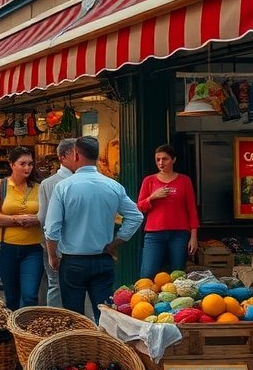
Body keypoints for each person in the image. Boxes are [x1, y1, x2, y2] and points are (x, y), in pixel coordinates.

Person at [45, 136, 144, 321]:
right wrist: (116, 242)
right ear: (96, 156)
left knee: (74, 318)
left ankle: (78, 348)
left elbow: (52, 229)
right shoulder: (113, 186)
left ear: (75, 155)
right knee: (105, 317)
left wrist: (52, 256)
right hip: (102, 259)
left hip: (72, 261)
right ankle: (103, 348)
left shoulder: (64, 187)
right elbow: (136, 216)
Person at [0, 147, 44, 310]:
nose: (27, 168)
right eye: (22, 164)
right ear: (12, 165)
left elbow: (49, 216)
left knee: (30, 295)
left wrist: (36, 220)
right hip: (5, 248)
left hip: (34, 249)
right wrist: (16, 219)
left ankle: (26, 329)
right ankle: (13, 332)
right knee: (12, 295)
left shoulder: (40, 188)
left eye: (30, 164)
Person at [137, 144, 199, 278]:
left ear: (174, 160)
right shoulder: (149, 181)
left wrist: (194, 237)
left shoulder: (184, 181)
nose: (160, 163)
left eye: (165, 159)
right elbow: (140, 207)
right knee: (148, 272)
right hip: (154, 234)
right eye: (158, 159)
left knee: (178, 274)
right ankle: (143, 299)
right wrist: (153, 197)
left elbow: (192, 209)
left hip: (179, 234)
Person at [37, 139, 77, 308]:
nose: (79, 157)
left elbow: (42, 218)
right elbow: (44, 218)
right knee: (59, 284)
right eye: (75, 153)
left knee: (57, 285)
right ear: (63, 157)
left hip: (56, 244)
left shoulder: (47, 183)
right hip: (63, 245)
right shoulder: (50, 183)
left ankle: (57, 322)